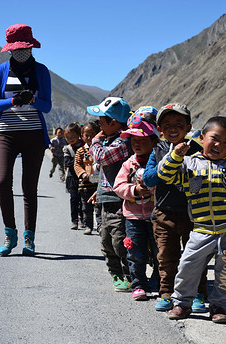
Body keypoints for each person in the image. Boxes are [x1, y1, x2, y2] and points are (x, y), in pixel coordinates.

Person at [158, 116, 226, 323]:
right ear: (202, 137)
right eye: (215, 138)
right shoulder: (188, 164)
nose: (219, 145)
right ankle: (181, 303)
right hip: (201, 228)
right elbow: (164, 175)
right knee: (188, 265)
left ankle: (219, 306)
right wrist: (174, 156)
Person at [0, 24, 52, 256]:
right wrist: (13, 102)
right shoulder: (1, 70)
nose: (20, 53)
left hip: (34, 134)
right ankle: (10, 232)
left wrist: (33, 100)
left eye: (24, 48)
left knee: (29, 187)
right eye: (16, 49)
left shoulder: (42, 71)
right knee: (2, 182)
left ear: (31, 47)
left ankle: (29, 238)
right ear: (9, 50)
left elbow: (46, 106)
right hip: (7, 132)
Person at [142, 103, 208, 312]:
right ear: (159, 130)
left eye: (179, 124)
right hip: (164, 214)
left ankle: (197, 294)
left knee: (196, 257)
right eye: (167, 124)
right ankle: (167, 294)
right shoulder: (158, 150)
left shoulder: (198, 150)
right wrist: (171, 160)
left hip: (193, 215)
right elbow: (149, 178)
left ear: (188, 127)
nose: (173, 128)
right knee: (166, 258)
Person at [113, 108, 160, 301]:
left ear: (154, 142)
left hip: (156, 216)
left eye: (142, 140)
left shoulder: (160, 164)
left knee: (159, 251)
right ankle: (138, 284)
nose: (137, 144)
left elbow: (166, 185)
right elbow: (118, 186)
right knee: (135, 251)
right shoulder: (128, 164)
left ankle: (158, 280)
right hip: (133, 217)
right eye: (133, 141)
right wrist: (134, 191)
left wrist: (151, 190)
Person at [87, 97, 133, 292]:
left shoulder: (123, 141)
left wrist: (94, 141)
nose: (99, 125)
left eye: (101, 121)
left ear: (113, 122)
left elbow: (102, 157)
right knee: (105, 238)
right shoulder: (111, 139)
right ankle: (115, 273)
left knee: (118, 238)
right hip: (106, 197)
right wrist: (98, 192)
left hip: (117, 199)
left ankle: (129, 274)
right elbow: (106, 173)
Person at [74, 121, 101, 235]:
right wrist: (83, 174)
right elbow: (77, 165)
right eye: (86, 135)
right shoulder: (80, 151)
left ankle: (100, 226)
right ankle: (88, 225)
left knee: (99, 206)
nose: (89, 137)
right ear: (82, 136)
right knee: (86, 207)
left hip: (98, 184)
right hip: (85, 185)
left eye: (92, 134)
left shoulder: (100, 149)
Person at [63, 122, 84, 230]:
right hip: (72, 178)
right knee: (74, 199)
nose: (70, 139)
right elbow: (68, 163)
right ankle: (74, 220)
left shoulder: (85, 146)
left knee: (83, 199)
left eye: (73, 136)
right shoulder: (67, 149)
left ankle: (83, 219)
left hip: (84, 178)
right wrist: (80, 161)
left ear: (79, 134)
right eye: (67, 137)